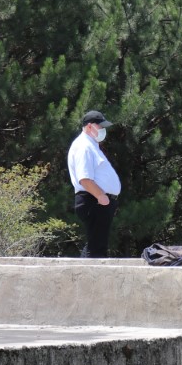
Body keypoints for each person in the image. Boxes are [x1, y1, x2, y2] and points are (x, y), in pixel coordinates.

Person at [67, 110, 121, 258]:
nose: (103, 130)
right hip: (93, 200)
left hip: (97, 200)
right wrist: (101, 196)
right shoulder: (84, 146)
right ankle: (88, 280)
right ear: (90, 126)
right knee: (97, 249)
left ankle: (82, 278)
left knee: (95, 244)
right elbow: (84, 178)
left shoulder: (91, 145)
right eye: (101, 126)